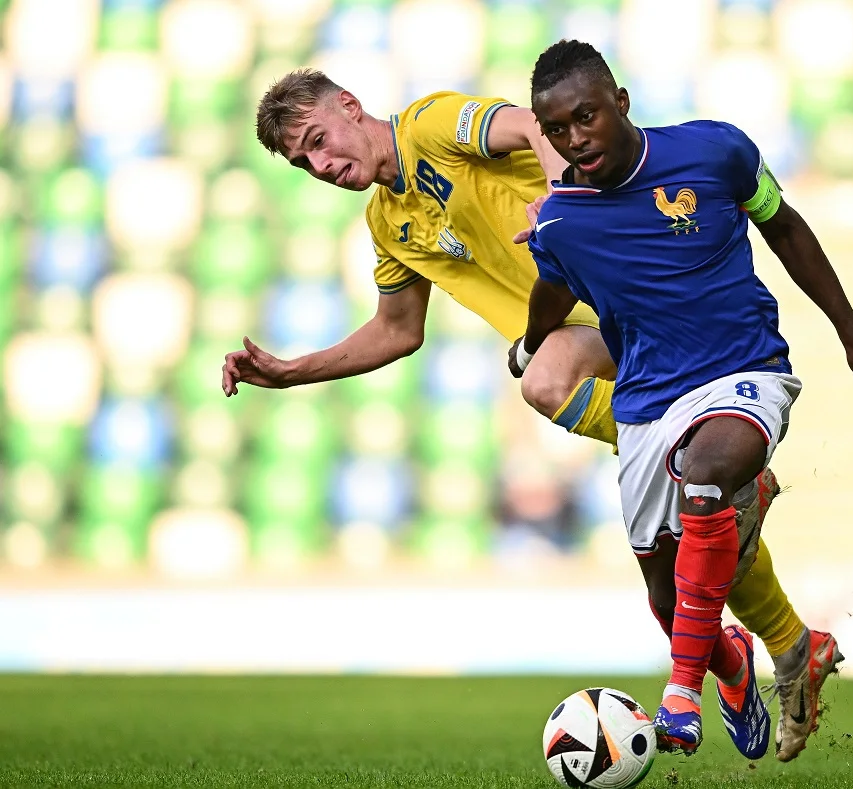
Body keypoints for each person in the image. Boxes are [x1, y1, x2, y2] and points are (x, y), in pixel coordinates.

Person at [222, 69, 820, 762]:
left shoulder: (432, 125)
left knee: (545, 381)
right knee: (672, 567)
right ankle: (763, 650)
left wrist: (562, 200)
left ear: (350, 108)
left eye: (319, 140)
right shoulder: (387, 223)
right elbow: (395, 330)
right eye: (305, 162)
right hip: (599, 345)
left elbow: (531, 124)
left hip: (645, 314)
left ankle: (720, 511)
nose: (321, 165)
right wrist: (292, 371)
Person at [513, 40, 853, 758]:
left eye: (584, 117)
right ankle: (740, 664)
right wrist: (529, 342)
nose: (573, 140)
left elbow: (784, 227)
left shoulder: (716, 153)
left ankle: (680, 694)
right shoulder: (562, 221)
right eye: (556, 130)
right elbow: (552, 291)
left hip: (742, 371)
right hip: (646, 403)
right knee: (668, 598)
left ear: (620, 102)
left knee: (708, 478)